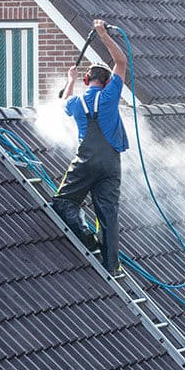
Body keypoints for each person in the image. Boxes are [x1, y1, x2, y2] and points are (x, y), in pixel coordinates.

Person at [51, 19, 129, 275]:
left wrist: (70, 79)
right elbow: (121, 62)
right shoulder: (110, 96)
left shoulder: (77, 103)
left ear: (87, 79)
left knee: (63, 201)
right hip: (110, 164)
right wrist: (103, 35)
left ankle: (86, 238)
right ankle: (111, 265)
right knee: (108, 214)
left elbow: (64, 101)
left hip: (85, 161)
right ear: (107, 83)